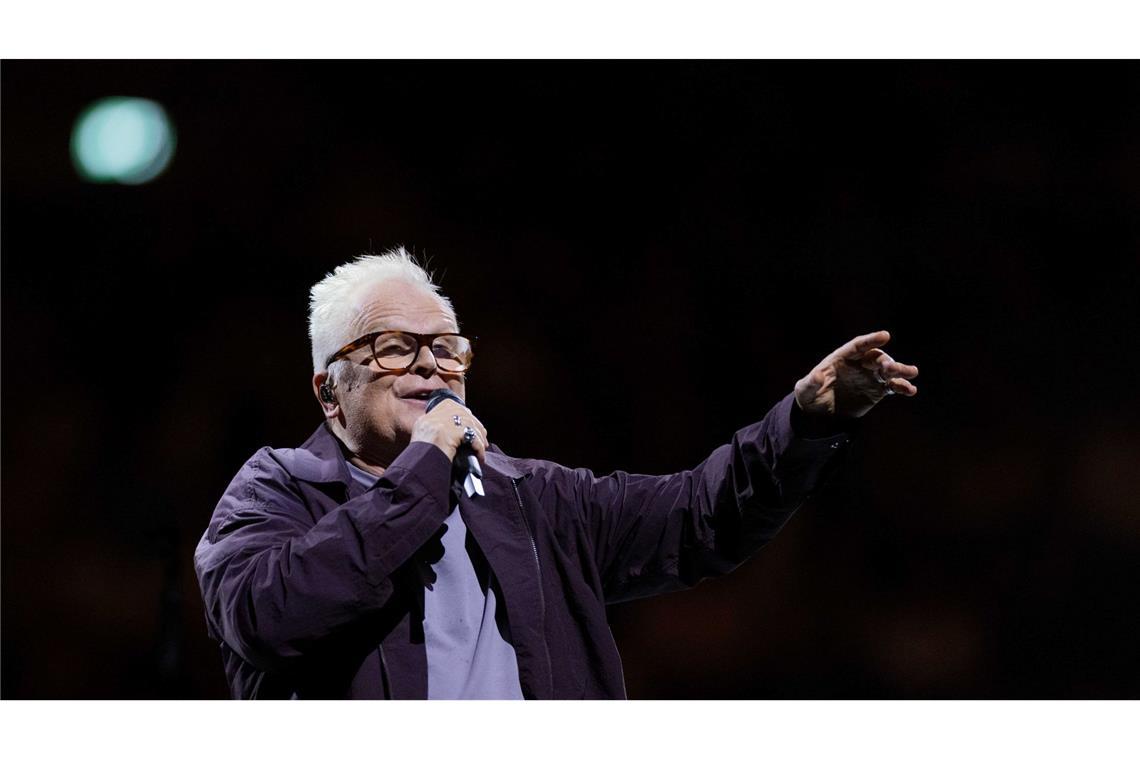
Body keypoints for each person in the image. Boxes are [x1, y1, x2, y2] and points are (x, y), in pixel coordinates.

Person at [193, 247, 919, 699]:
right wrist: (421, 472)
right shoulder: (275, 491)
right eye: (392, 347)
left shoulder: (533, 500)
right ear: (329, 390)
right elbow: (270, 618)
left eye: (447, 349)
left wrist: (807, 421)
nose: (427, 363)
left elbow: (702, 516)